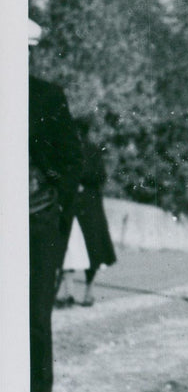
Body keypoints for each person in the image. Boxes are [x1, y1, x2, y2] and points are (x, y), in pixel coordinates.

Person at [28, 19, 82, 392]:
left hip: (36, 219)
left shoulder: (46, 97)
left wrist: (52, 202)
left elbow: (71, 159)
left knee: (36, 312)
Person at [59, 116, 117, 306]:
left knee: (84, 250)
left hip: (86, 205)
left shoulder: (89, 150)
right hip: (76, 205)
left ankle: (86, 292)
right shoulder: (73, 149)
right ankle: (71, 292)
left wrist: (79, 180)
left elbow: (99, 175)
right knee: (70, 248)